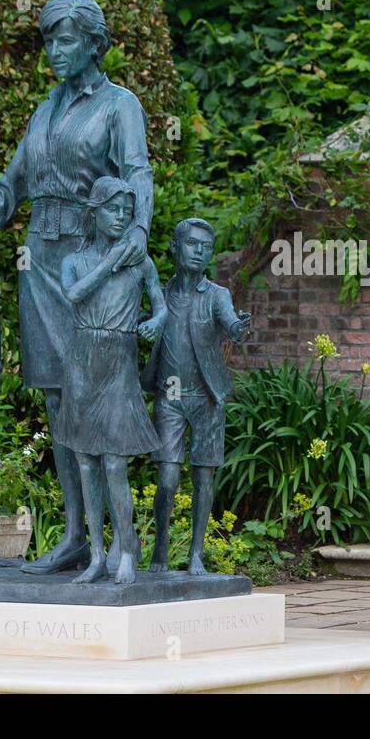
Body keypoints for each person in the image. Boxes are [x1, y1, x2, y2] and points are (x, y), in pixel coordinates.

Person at [0, 0, 154, 575]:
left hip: (89, 260)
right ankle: (75, 535)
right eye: (48, 40)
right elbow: (12, 182)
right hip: (40, 258)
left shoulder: (120, 105)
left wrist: (139, 227)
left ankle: (117, 544)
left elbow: (137, 170)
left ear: (94, 43)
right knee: (54, 394)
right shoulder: (43, 111)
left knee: (91, 393)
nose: (53, 51)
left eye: (64, 40)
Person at [55, 177, 167, 585]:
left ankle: (126, 547)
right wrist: (109, 261)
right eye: (113, 210)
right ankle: (97, 555)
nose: (121, 217)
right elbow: (74, 294)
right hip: (82, 359)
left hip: (118, 358)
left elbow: (161, 306)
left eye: (127, 211)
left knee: (115, 462)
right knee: (86, 461)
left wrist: (155, 322)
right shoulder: (73, 260)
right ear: (95, 213)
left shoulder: (141, 262)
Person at [142, 218, 251, 574]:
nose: (200, 251)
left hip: (206, 398)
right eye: (192, 244)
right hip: (169, 397)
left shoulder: (217, 296)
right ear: (175, 247)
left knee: (204, 476)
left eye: (206, 246)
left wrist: (238, 328)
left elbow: (231, 322)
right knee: (168, 479)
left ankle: (196, 555)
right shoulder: (161, 294)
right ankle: (160, 548)